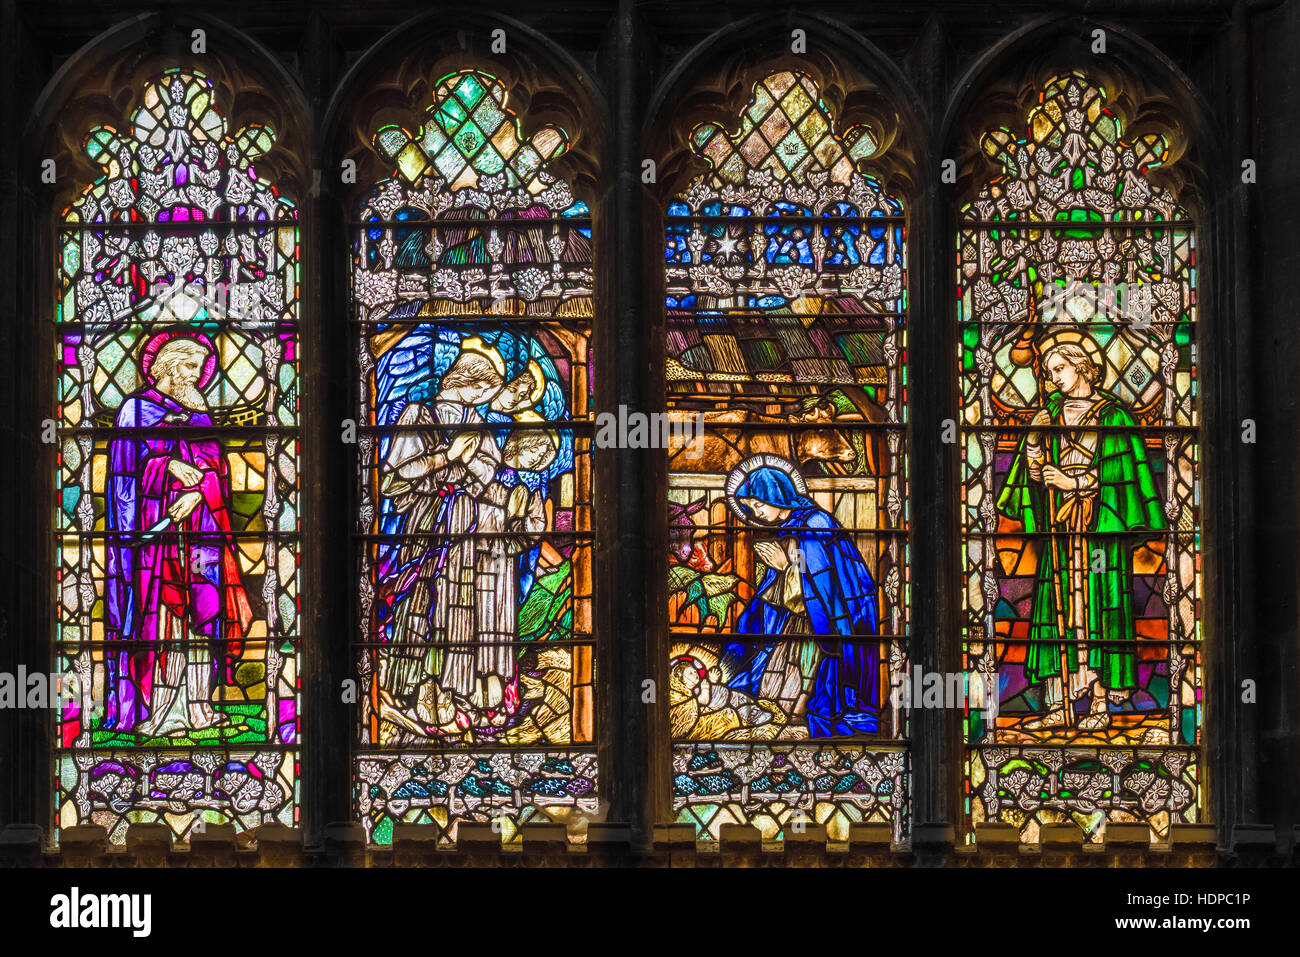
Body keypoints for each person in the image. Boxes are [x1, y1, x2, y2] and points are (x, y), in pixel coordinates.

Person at [997, 332, 1165, 730]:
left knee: (1101, 608)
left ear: (1082, 367)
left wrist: (1073, 483)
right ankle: (1058, 705)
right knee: (1059, 613)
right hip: (1060, 529)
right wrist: (1035, 442)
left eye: (1060, 369)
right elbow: (1032, 478)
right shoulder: (1050, 413)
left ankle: (1102, 704)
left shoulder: (1113, 415)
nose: (1054, 378)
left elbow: (1123, 475)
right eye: (1050, 372)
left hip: (1099, 530)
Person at [104, 334, 252, 735]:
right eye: (190, 367)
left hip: (200, 529)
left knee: (202, 610)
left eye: (202, 368)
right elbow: (124, 468)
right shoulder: (136, 410)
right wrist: (167, 467)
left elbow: (213, 468)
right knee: (162, 614)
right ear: (168, 366)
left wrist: (198, 493)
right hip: (156, 532)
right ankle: (161, 711)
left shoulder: (199, 412)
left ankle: (198, 707)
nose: (198, 375)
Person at [722, 460, 880, 735]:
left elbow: (825, 589)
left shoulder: (816, 524)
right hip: (794, 627)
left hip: (820, 629)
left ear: (777, 495)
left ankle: (802, 717)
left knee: (804, 688)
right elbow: (778, 594)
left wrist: (785, 567)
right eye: (751, 509)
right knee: (772, 688)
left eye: (759, 504)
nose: (756, 512)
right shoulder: (789, 530)